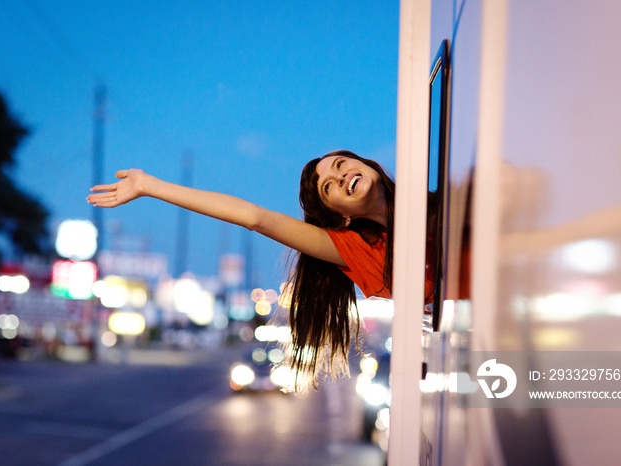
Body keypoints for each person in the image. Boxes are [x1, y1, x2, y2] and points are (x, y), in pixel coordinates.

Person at [88, 149, 396, 389]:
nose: (340, 177)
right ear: (340, 216)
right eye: (329, 187)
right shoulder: (358, 252)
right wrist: (149, 185)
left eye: (341, 165)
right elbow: (255, 217)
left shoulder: (442, 207)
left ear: (367, 164)